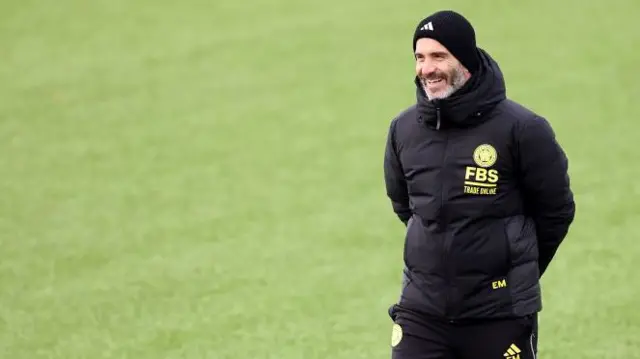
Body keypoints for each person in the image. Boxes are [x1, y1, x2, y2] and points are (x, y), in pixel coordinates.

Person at [383, 10, 576, 359]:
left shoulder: (522, 129)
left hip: (498, 315)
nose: (427, 68)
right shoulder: (403, 129)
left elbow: (556, 212)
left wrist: (514, 268)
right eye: (420, 57)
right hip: (422, 313)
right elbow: (404, 206)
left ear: (466, 60)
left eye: (439, 56)